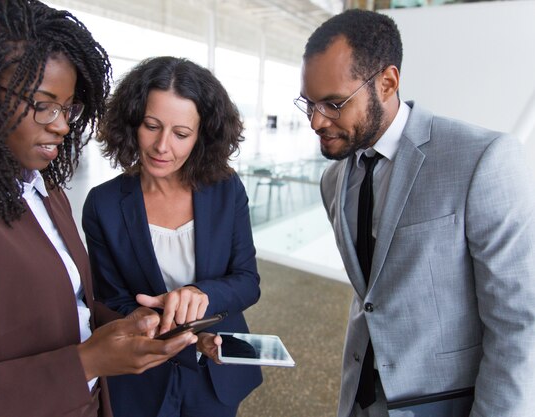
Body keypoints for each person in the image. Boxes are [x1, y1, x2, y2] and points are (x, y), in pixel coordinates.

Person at [0, 2, 197, 417]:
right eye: (44, 104)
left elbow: (65, 306)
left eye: (68, 108)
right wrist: (86, 363)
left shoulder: (43, 190)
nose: (62, 124)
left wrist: (131, 326)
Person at [295, 9, 535, 417]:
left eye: (334, 104)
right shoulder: (333, 181)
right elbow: (372, 298)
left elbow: (520, 324)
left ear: (387, 83)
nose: (317, 120)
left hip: (445, 404)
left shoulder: (482, 159)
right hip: (359, 399)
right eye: (309, 103)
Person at [82, 56, 263, 417]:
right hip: (139, 377)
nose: (162, 146)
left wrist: (202, 295)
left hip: (214, 369)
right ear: (132, 122)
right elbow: (110, 302)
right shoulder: (102, 203)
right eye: (151, 126)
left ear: (201, 137)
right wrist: (172, 332)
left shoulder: (226, 190)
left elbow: (247, 281)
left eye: (181, 134)